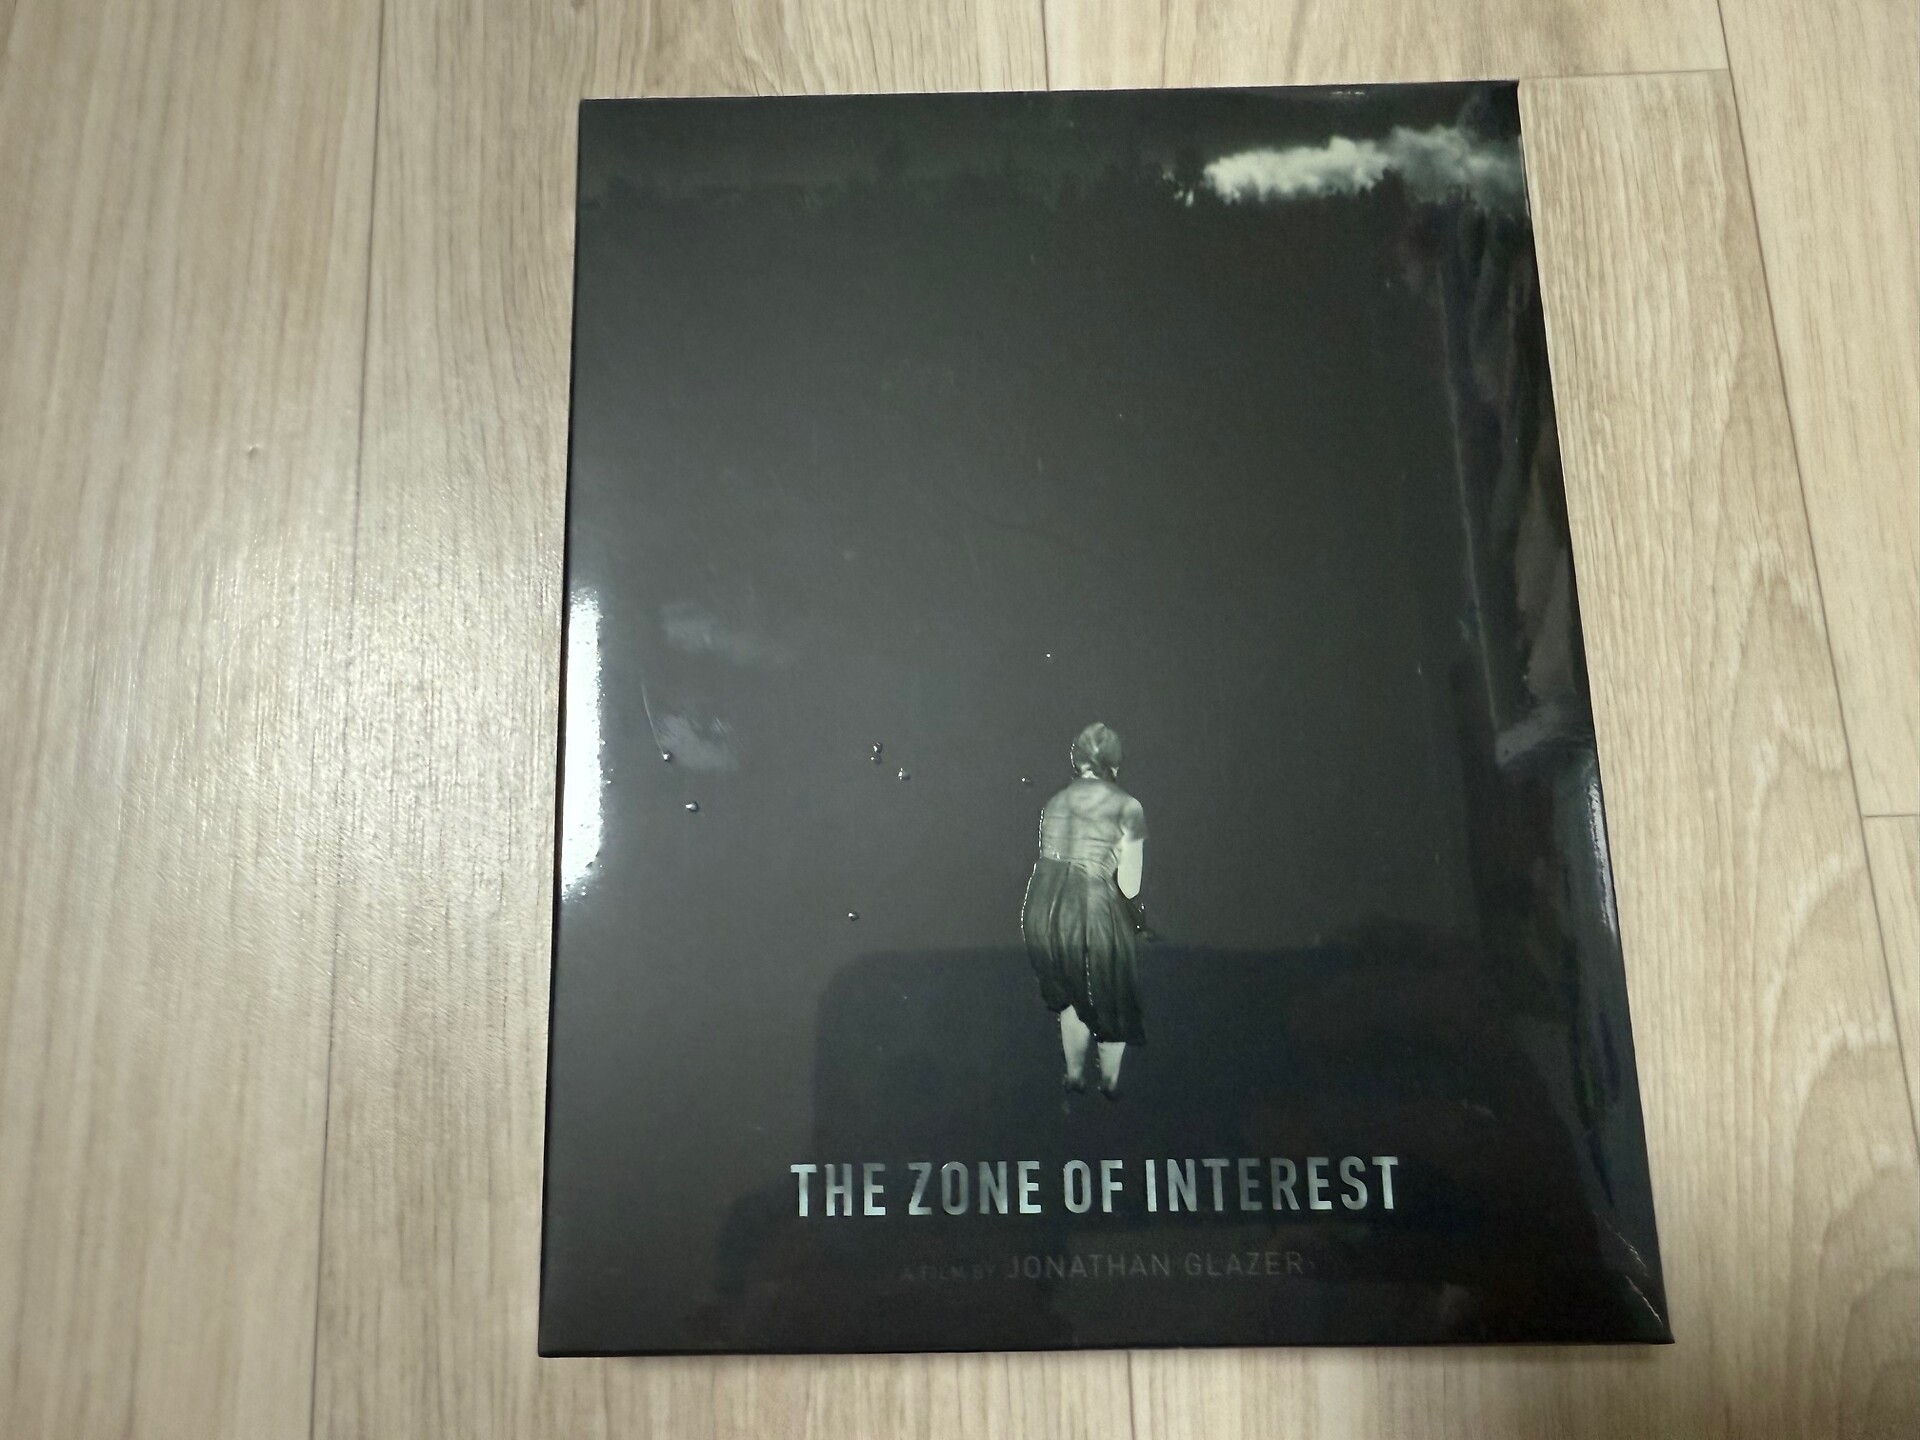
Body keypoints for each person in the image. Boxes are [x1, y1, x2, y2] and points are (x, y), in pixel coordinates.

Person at [1020, 722, 1147, 1098]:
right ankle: (1109, 1086)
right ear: (1114, 762)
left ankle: (1074, 1077)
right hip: (1089, 905)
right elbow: (1130, 885)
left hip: (1041, 907)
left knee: (1071, 994)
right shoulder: (1128, 806)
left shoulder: (1054, 802)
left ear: (1077, 759)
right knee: (1112, 996)